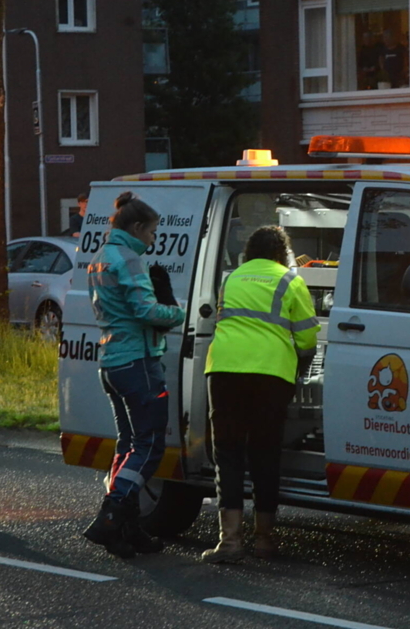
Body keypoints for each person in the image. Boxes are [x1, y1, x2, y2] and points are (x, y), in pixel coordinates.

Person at [202, 226, 320, 563]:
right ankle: (265, 540)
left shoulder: (232, 278)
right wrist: (300, 359)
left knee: (228, 453)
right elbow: (308, 337)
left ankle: (230, 542)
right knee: (265, 453)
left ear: (249, 252)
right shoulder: (289, 280)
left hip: (224, 371)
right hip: (271, 376)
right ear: (281, 253)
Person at [82, 192, 185, 558]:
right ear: (137, 227)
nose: (154, 239)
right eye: (153, 232)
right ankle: (112, 515)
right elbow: (146, 312)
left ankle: (127, 529)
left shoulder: (101, 256)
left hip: (112, 361)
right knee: (149, 444)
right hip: (138, 362)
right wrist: (177, 312)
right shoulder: (128, 259)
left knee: (127, 445)